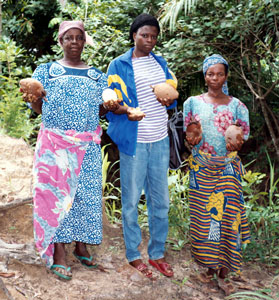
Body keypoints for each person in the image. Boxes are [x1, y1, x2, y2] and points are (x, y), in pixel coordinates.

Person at [25, 20, 118, 280]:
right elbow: (37, 107)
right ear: (60, 41)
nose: (74, 42)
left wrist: (108, 107)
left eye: (79, 37)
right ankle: (59, 253)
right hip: (55, 144)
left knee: (84, 194)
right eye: (69, 38)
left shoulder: (97, 76)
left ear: (84, 41)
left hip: (86, 144)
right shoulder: (46, 71)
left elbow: (98, 110)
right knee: (56, 198)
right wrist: (33, 101)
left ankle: (81, 245)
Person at [106, 13, 178, 278]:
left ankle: (157, 253)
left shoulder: (160, 63)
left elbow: (171, 96)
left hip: (159, 139)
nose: (149, 40)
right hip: (134, 141)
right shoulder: (119, 64)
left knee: (161, 202)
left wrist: (167, 100)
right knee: (131, 202)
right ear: (134, 35)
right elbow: (110, 102)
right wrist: (126, 110)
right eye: (144, 35)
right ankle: (134, 255)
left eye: (154, 36)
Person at [183, 54, 250, 295]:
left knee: (227, 219)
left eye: (220, 74)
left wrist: (237, 141)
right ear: (205, 75)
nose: (215, 78)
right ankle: (208, 269)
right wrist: (193, 137)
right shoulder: (191, 103)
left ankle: (224, 272)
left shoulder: (238, 106)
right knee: (204, 219)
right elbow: (189, 135)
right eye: (211, 73)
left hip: (228, 169)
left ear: (226, 76)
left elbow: (244, 136)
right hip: (202, 168)